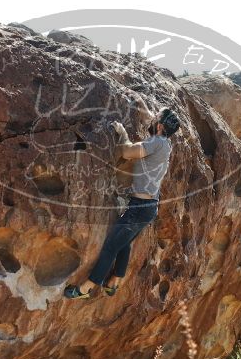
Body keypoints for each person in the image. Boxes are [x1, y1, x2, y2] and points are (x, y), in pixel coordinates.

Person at [64, 107, 180, 299]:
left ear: (159, 126)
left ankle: (87, 288)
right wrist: (140, 105)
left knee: (110, 246)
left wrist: (123, 133)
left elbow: (127, 152)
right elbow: (152, 119)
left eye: (156, 119)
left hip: (138, 209)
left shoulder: (156, 142)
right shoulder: (166, 143)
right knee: (123, 244)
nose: (153, 120)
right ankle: (114, 282)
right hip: (146, 207)